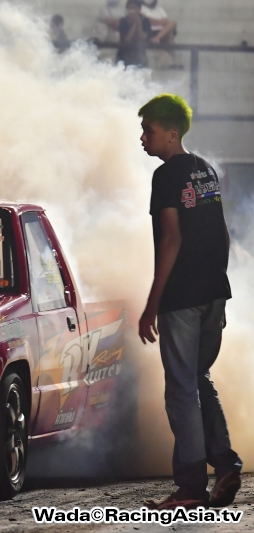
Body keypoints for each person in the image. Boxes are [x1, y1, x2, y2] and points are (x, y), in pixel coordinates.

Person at [138, 94, 243, 510]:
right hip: (214, 292)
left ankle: (190, 488)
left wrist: (151, 304)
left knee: (181, 390)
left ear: (171, 133)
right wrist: (216, 281)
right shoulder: (205, 170)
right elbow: (223, 234)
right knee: (198, 379)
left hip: (182, 297)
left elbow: (171, 238)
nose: (142, 138)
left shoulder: (165, 176)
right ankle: (227, 463)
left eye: (148, 130)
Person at [141, 1, 180, 68]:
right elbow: (150, 21)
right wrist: (161, 22)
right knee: (169, 30)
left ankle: (173, 60)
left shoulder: (159, 9)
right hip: (151, 32)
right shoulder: (141, 8)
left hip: (162, 31)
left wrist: (158, 22)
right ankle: (157, 40)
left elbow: (166, 21)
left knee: (173, 24)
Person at [117, 0, 152, 67]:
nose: (132, 10)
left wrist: (138, 23)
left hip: (140, 53)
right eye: (129, 8)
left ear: (139, 9)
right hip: (124, 54)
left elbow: (142, 38)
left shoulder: (145, 21)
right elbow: (127, 40)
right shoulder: (123, 21)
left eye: (134, 8)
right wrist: (134, 25)